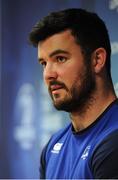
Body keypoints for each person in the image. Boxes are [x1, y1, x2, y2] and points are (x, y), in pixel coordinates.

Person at [29, 8, 118, 179]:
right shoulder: (52, 146)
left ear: (97, 60)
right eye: (43, 63)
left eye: (60, 59)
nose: (48, 74)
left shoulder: (113, 141)